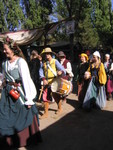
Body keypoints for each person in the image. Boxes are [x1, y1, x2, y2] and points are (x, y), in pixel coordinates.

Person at [0, 37, 42, 149]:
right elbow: (3, 77)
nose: (4, 51)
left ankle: (24, 138)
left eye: (5, 49)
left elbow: (26, 80)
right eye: (3, 49)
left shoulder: (21, 62)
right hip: (7, 93)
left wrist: (28, 99)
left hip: (19, 93)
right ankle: (9, 139)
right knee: (5, 115)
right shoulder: (4, 63)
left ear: (13, 49)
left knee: (23, 114)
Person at [39, 47, 66, 119]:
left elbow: (63, 70)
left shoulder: (55, 61)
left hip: (54, 81)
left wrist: (61, 72)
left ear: (50, 54)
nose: (47, 55)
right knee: (45, 97)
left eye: (48, 53)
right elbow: (41, 72)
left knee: (56, 96)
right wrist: (43, 79)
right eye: (45, 54)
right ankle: (46, 113)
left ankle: (60, 109)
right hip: (46, 82)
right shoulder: (43, 63)